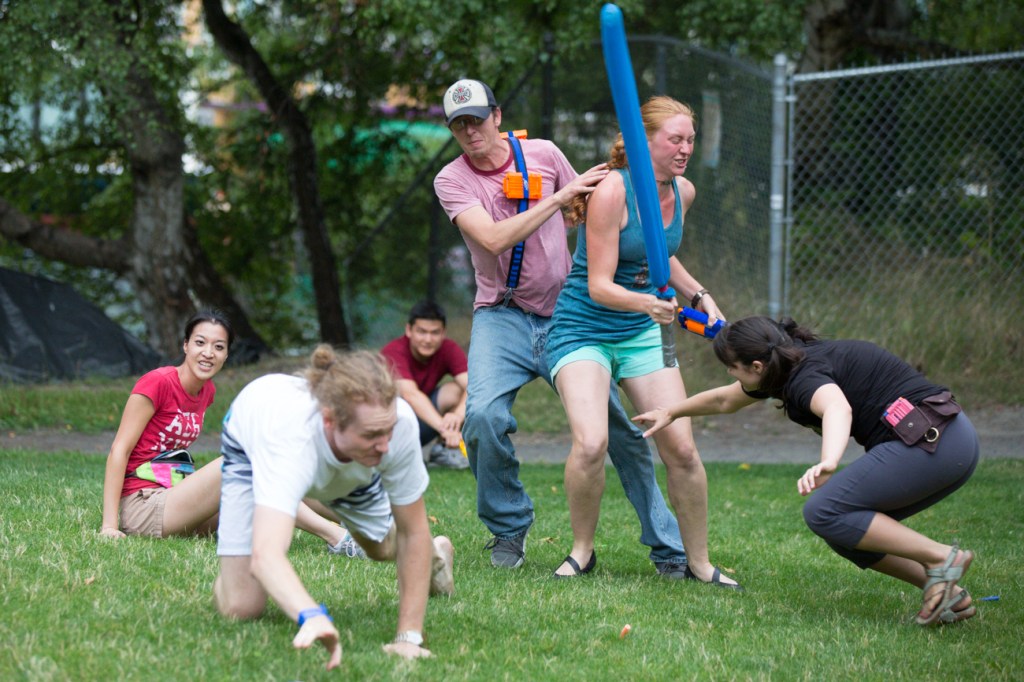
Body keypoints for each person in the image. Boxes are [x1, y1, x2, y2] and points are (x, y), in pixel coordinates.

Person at [433, 78, 688, 575]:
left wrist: (669, 280)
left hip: (570, 316)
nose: (470, 131)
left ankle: (668, 546)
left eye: (477, 119)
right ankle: (508, 527)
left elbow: (599, 215)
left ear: (497, 116)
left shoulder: (545, 155)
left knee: (622, 431)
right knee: (481, 418)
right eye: (459, 124)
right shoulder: (452, 180)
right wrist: (554, 199)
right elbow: (491, 238)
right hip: (500, 315)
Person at [634, 315, 979, 624]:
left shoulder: (802, 377)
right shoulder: (784, 360)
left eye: (732, 367)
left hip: (934, 442)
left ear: (756, 366)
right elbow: (726, 399)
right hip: (946, 440)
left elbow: (836, 408)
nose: (730, 373)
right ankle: (945, 591)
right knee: (845, 531)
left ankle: (940, 558)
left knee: (825, 510)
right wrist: (672, 412)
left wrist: (829, 460)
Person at [544, 96, 740, 587]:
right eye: (675, 139)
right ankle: (581, 552)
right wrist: (647, 305)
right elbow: (599, 284)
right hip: (583, 327)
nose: (685, 149)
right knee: (591, 444)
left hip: (638, 333)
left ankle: (699, 563)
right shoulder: (614, 191)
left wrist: (701, 294)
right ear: (643, 140)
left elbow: (660, 257)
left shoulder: (684, 191)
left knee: (683, 450)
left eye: (690, 139)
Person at [212, 347, 455, 668]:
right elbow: (267, 554)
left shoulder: (394, 425)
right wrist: (311, 615)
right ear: (329, 419)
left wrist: (408, 637)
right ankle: (232, 572)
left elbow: (412, 530)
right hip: (250, 451)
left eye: (388, 431)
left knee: (381, 549)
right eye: (372, 435)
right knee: (240, 607)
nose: (385, 446)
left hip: (350, 464)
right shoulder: (287, 439)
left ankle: (435, 555)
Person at [99, 311, 356, 557]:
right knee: (245, 461)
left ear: (226, 355)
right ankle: (337, 538)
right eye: (200, 343)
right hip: (143, 506)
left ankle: (361, 525)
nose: (208, 353)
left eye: (219, 347)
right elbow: (119, 450)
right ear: (186, 345)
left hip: (178, 500)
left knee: (281, 465)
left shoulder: (206, 391)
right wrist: (110, 525)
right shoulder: (158, 382)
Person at [380, 300, 469, 470]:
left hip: (422, 424)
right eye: (421, 332)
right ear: (409, 330)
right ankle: (393, 455)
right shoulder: (393, 351)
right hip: (390, 428)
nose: (428, 339)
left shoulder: (448, 349)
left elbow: (475, 387)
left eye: (435, 333)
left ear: (443, 333)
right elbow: (410, 394)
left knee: (456, 391)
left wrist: (457, 415)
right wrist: (446, 429)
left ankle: (443, 452)